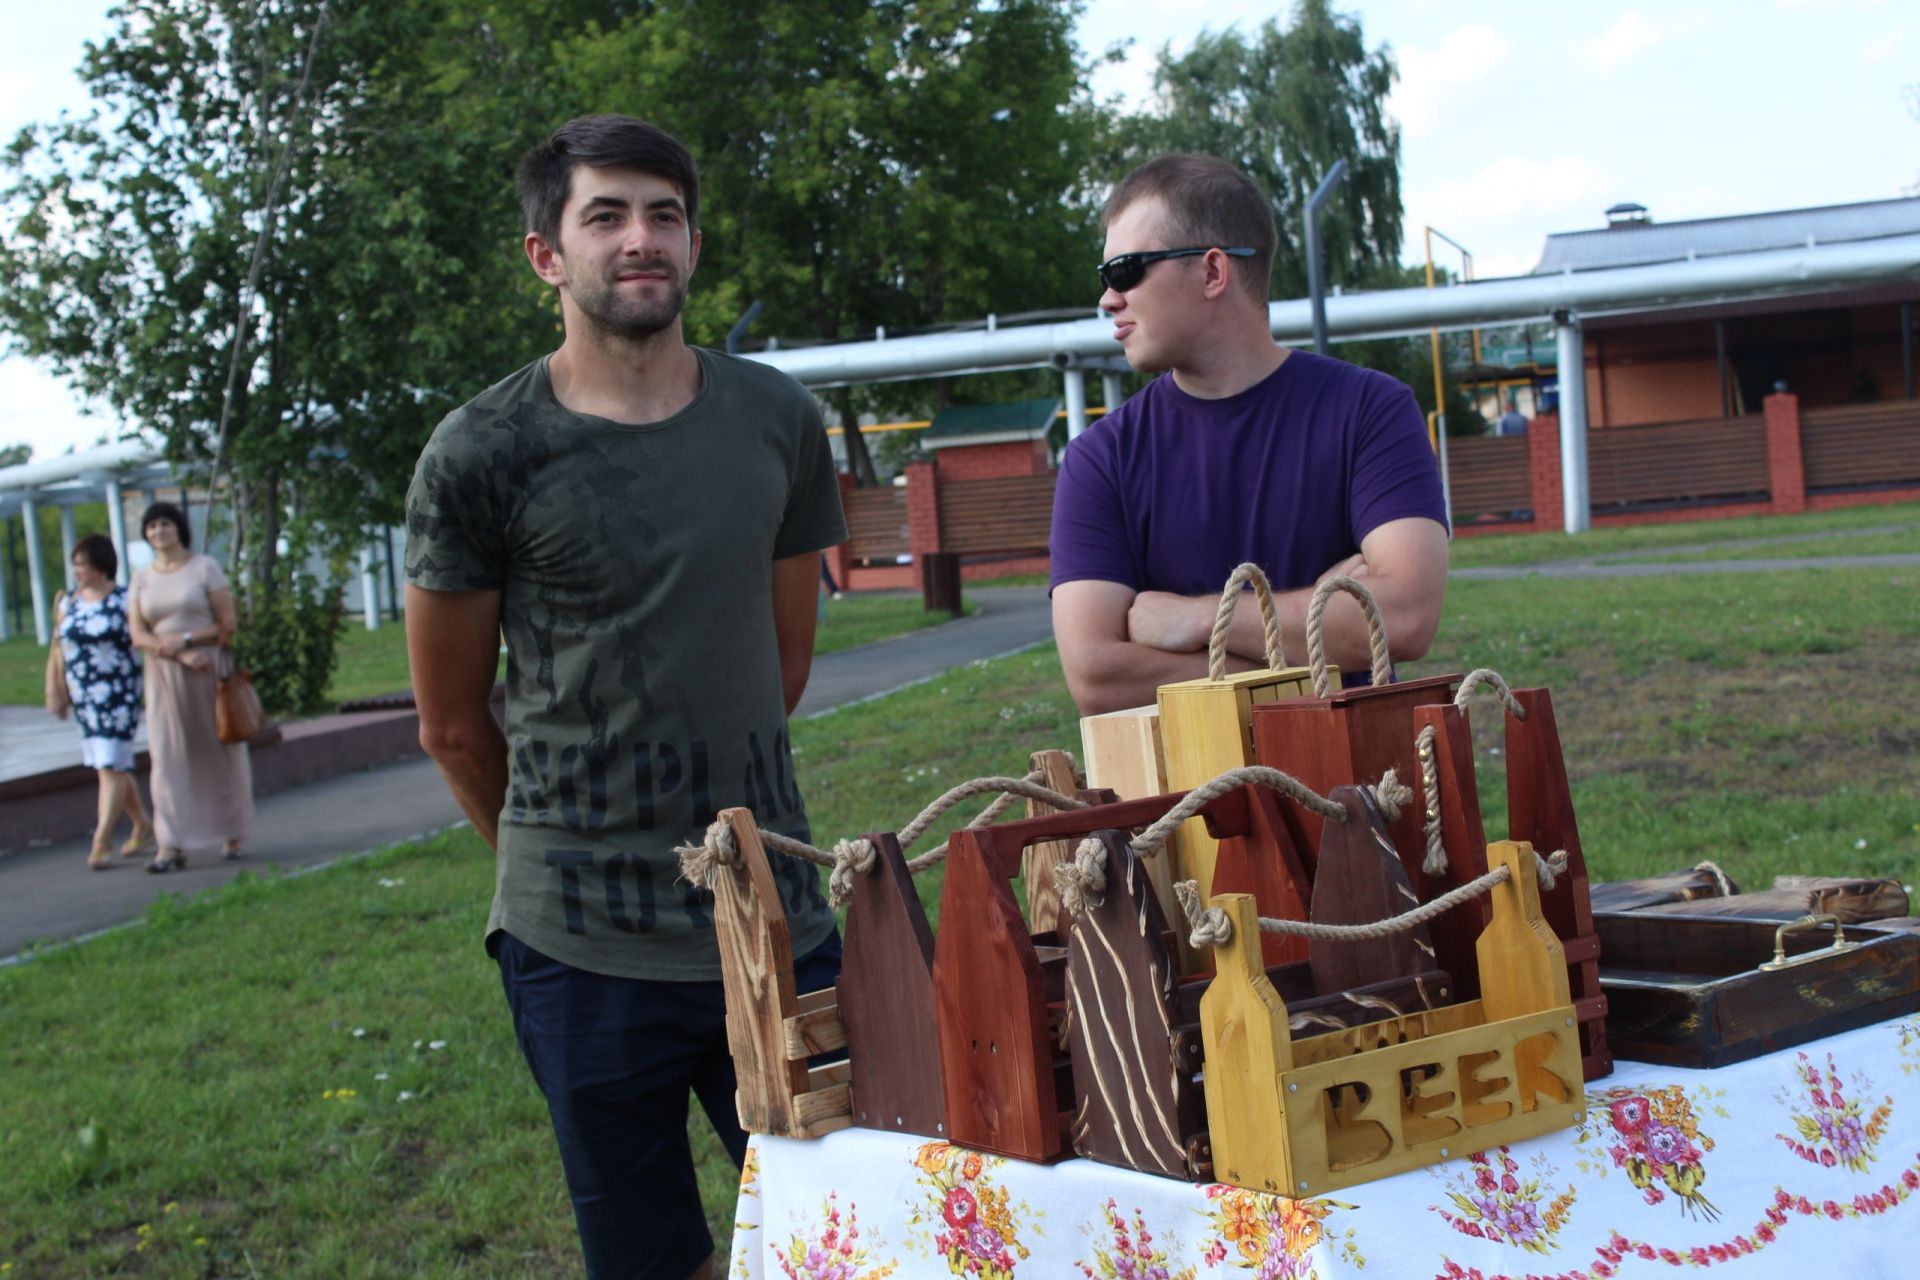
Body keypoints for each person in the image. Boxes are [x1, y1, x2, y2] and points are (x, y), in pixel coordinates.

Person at [403, 114, 846, 1280]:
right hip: (581, 946)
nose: (641, 239)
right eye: (606, 215)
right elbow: (450, 722)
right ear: (548, 253)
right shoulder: (481, 452)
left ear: (694, 246)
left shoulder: (778, 421)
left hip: (779, 918)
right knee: (652, 1257)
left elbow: (780, 660)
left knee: (854, 1227)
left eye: (664, 216)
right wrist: (561, 859)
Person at [1049, 154, 1451, 715]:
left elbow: (1405, 619)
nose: (1107, 298)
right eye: (1105, 277)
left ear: (1214, 272)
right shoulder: (1100, 458)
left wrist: (1195, 618)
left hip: (1352, 796)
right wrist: (1317, 641)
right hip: (1181, 802)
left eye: (1126, 271)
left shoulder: (1370, 410)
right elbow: (1098, 679)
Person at [127, 501, 251, 871]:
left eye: (164, 524)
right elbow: (138, 635)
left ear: (179, 528)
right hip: (164, 675)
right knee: (166, 758)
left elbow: (227, 623)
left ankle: (232, 833)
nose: (158, 531)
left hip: (208, 670)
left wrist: (186, 640)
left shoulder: (204, 568)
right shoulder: (142, 578)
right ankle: (171, 843)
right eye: (151, 527)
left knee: (217, 750)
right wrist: (178, 653)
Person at [45, 533, 154, 869]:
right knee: (110, 765)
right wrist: (55, 689)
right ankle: (143, 825)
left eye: (83, 564)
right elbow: (57, 648)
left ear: (101, 565)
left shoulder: (125, 600)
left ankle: (101, 842)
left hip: (118, 693)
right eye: (75, 564)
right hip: (84, 696)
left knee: (110, 764)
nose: (77, 571)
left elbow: (142, 637)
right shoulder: (69, 603)